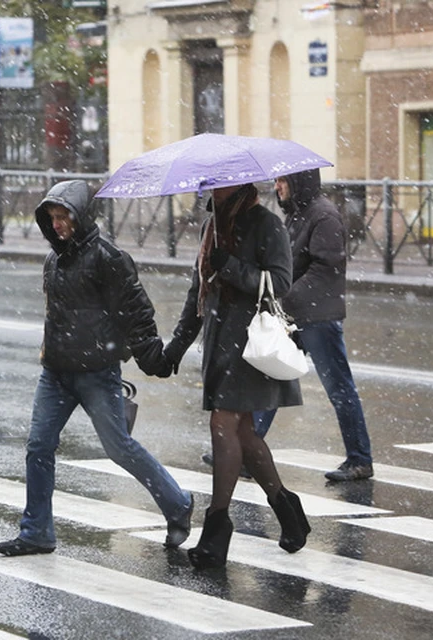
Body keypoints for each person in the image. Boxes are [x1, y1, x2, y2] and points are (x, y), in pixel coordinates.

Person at [0, 180, 194, 557]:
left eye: (63, 216)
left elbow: (137, 312)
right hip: (55, 373)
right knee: (38, 446)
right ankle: (36, 531)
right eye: (51, 218)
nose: (57, 225)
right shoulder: (54, 259)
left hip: (96, 374)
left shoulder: (108, 258)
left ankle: (178, 503)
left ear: (82, 217)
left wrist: (152, 357)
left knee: (119, 448)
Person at [160, 182, 310, 569]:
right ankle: (289, 511)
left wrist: (230, 266)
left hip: (248, 346)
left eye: (218, 183)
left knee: (223, 425)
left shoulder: (266, 224)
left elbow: (279, 283)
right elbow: (199, 293)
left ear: (239, 184)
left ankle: (215, 532)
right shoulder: (211, 227)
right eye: (207, 183)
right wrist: (175, 347)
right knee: (244, 433)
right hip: (219, 344)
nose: (210, 189)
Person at [254, 169, 373, 481]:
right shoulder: (300, 214)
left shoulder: (323, 216)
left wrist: (286, 296)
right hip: (297, 314)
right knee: (272, 377)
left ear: (299, 183)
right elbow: (292, 262)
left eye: (282, 181)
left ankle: (360, 459)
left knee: (339, 388)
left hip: (319, 317)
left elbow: (325, 269)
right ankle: (246, 453)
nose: (276, 186)